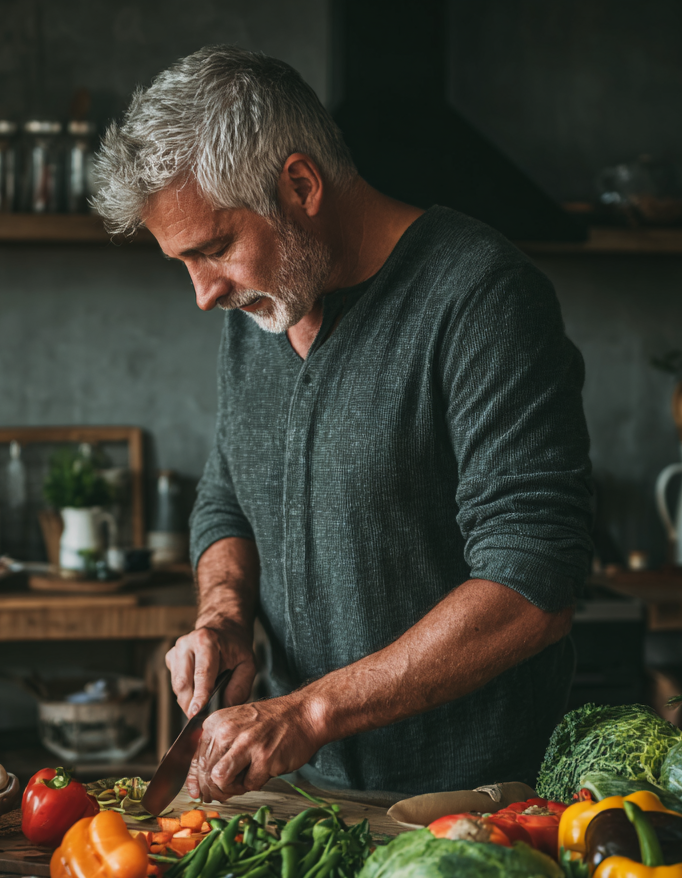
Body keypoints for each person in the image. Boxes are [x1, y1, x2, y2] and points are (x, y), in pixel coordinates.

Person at [93, 46, 593, 803]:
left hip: (466, 803)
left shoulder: (483, 298)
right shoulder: (263, 306)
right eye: (184, 263)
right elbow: (229, 494)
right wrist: (223, 618)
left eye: (217, 249)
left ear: (300, 184)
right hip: (303, 789)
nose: (202, 295)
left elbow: (533, 589)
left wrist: (309, 711)